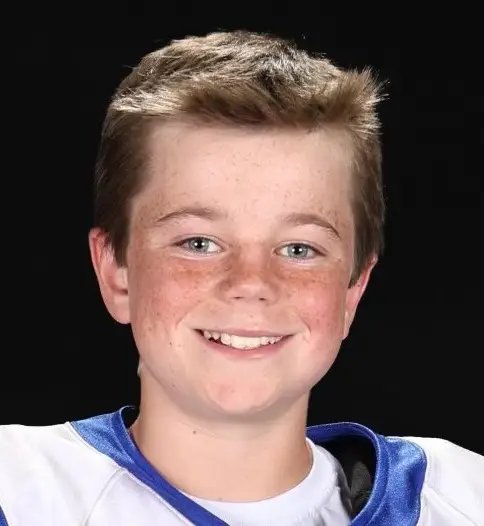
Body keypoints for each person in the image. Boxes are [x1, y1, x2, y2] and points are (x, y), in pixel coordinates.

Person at [0, 31, 482, 526]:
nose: (251, 283)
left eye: (299, 249)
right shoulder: (19, 490)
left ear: (352, 291)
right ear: (116, 273)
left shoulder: (460, 499)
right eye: (198, 243)